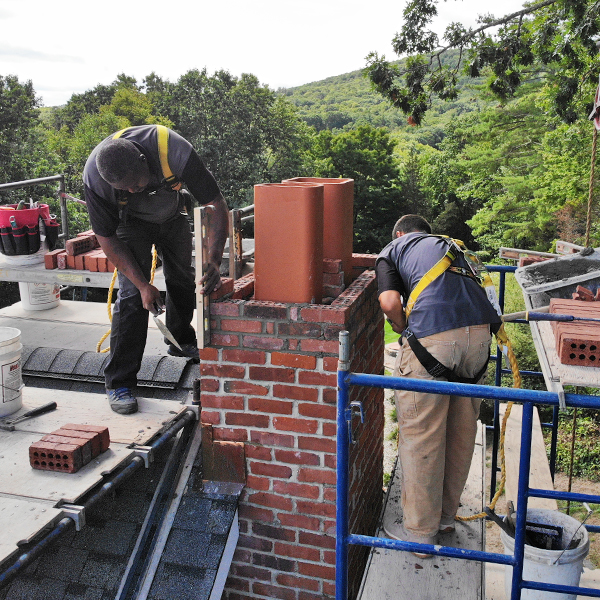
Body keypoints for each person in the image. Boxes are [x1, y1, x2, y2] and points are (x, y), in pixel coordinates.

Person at [375, 214, 501, 557]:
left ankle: (420, 535)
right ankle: (445, 519)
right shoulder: (455, 248)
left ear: (400, 233)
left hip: (435, 338)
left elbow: (389, 303)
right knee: (461, 430)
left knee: (422, 435)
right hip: (479, 339)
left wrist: (406, 331)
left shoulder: (393, 248)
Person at [83, 124, 228, 415]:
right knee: (132, 298)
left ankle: (179, 338)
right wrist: (142, 285)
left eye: (135, 182)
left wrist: (213, 258)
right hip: (130, 225)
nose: (134, 189)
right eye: (124, 189)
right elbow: (107, 239)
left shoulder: (174, 150)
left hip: (172, 214)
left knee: (182, 278)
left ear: (142, 159)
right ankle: (119, 382)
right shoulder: (96, 179)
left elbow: (215, 203)